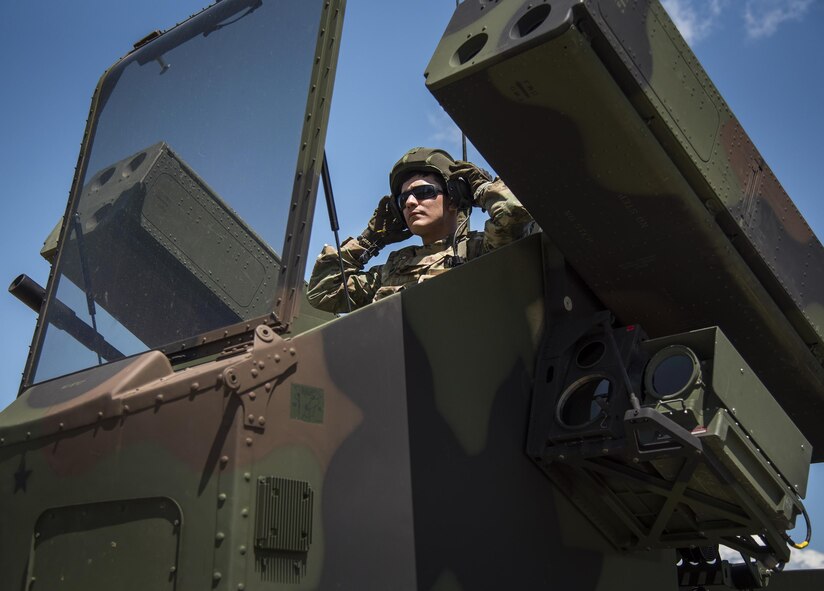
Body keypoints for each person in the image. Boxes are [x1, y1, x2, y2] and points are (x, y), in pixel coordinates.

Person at [307, 147, 534, 313]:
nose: (410, 203)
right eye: (403, 198)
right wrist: (369, 241)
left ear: (454, 199)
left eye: (424, 192)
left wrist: (483, 189)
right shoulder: (393, 269)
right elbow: (323, 293)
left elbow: (517, 212)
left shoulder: (483, 250)